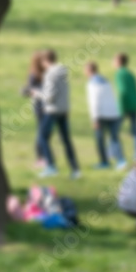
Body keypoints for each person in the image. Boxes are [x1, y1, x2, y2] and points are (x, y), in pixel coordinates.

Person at [36, 50, 81, 179]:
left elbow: (49, 96)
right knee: (66, 140)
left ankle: (51, 166)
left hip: (52, 110)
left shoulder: (50, 74)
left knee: (43, 137)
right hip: (64, 109)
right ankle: (75, 169)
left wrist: (36, 94)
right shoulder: (63, 71)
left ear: (45, 61)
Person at [85, 61, 126, 170]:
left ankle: (104, 162)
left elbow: (94, 102)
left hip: (101, 114)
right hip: (113, 113)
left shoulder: (92, 83)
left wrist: (95, 118)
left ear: (88, 71)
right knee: (114, 138)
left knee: (100, 139)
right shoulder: (106, 81)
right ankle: (121, 160)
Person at [113, 53, 136, 160]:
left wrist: (120, 108)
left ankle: (116, 154)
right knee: (135, 130)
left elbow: (122, 91)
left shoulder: (119, 74)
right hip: (134, 104)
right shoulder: (130, 73)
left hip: (125, 105)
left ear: (118, 62)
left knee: (114, 131)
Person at [22, 51, 47, 169]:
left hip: (47, 106)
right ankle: (40, 158)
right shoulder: (34, 75)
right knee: (41, 133)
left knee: (44, 133)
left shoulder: (45, 73)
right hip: (39, 107)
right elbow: (30, 91)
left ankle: (44, 157)